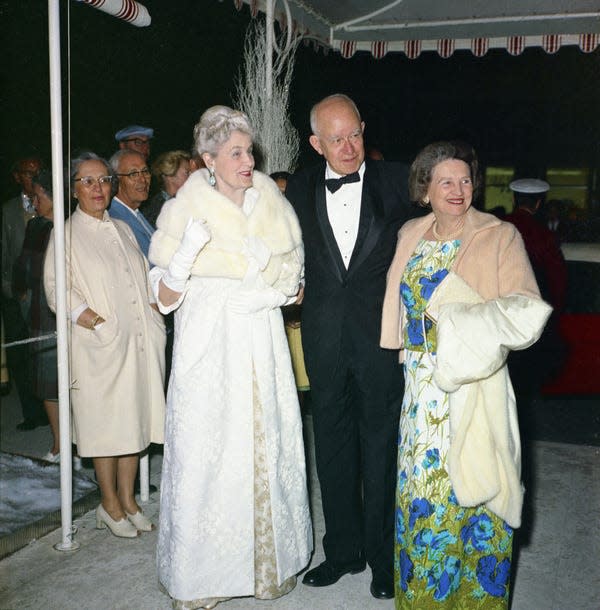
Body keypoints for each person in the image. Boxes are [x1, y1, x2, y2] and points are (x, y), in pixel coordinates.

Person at [149, 105, 312, 610]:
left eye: (249, 151)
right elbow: (163, 298)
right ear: (208, 160)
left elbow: (296, 284)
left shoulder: (273, 204)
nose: (248, 160)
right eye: (236, 152)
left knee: (265, 447)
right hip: (208, 348)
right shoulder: (183, 210)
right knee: (209, 455)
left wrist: (270, 295)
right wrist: (184, 255)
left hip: (261, 343)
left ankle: (270, 565)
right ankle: (203, 580)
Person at [380, 141, 551, 608]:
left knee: (477, 489)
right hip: (419, 388)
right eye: (446, 182)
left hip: (474, 383)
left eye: (465, 180)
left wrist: (456, 322)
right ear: (425, 189)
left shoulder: (500, 234)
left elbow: (527, 311)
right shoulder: (410, 233)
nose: (458, 190)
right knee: (422, 497)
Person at [285, 93, 413, 600]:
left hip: (379, 339)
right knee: (332, 444)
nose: (348, 146)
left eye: (354, 134)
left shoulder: (396, 179)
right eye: (335, 139)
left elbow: (451, 199)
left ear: (364, 127)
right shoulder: (296, 188)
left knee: (381, 447)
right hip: (322, 336)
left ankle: (384, 558)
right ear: (316, 143)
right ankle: (342, 551)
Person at [44, 152, 166, 538]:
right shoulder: (65, 233)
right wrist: (92, 320)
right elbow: (56, 289)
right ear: (74, 188)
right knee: (106, 427)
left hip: (139, 343)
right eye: (88, 181)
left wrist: (155, 314)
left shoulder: (123, 228)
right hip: (100, 347)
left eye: (103, 180)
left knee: (134, 421)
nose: (98, 188)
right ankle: (108, 504)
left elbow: (143, 279)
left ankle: (128, 500)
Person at [12, 170, 81, 466]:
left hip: (75, 312)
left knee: (78, 380)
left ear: (55, 198)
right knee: (49, 384)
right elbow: (23, 271)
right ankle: (58, 445)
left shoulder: (73, 227)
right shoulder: (37, 227)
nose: (34, 201)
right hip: (43, 314)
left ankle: (80, 444)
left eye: (39, 196)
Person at [1, 155, 46, 430]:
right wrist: (11, 291)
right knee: (20, 355)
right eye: (28, 173)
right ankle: (32, 412)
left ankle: (51, 408)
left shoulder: (52, 205)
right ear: (17, 177)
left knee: (45, 352)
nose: (33, 177)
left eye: (38, 171)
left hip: (45, 294)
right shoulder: (7, 211)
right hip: (15, 297)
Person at [108, 149, 155, 258]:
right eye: (133, 174)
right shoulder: (115, 219)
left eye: (145, 171)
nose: (143, 180)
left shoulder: (135, 212)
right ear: (116, 180)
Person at [143, 150, 191, 227]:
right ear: (170, 175)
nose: (192, 176)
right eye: (187, 172)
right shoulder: (156, 210)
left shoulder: (187, 200)